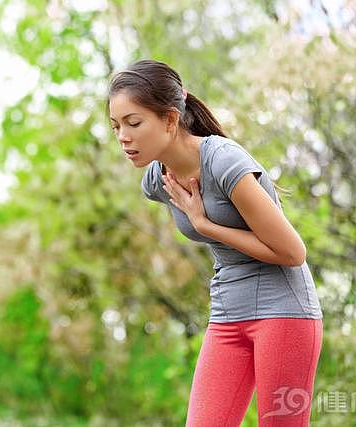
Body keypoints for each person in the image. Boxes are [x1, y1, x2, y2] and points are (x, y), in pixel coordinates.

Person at [106, 59, 323, 427]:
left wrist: (206, 225)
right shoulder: (156, 180)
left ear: (171, 119)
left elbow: (292, 252)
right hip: (226, 314)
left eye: (134, 123)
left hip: (283, 312)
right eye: (116, 126)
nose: (123, 137)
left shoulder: (224, 162)